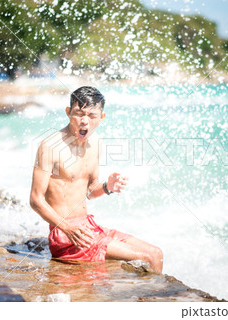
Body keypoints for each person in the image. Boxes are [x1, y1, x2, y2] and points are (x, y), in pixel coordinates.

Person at [29, 86, 163, 272]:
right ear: (68, 113)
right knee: (146, 258)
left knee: (156, 253)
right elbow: (36, 200)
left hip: (88, 227)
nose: (84, 121)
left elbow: (90, 191)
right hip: (66, 237)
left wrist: (107, 187)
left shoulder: (96, 144)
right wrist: (68, 228)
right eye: (79, 113)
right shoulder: (50, 146)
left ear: (101, 117)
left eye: (92, 115)